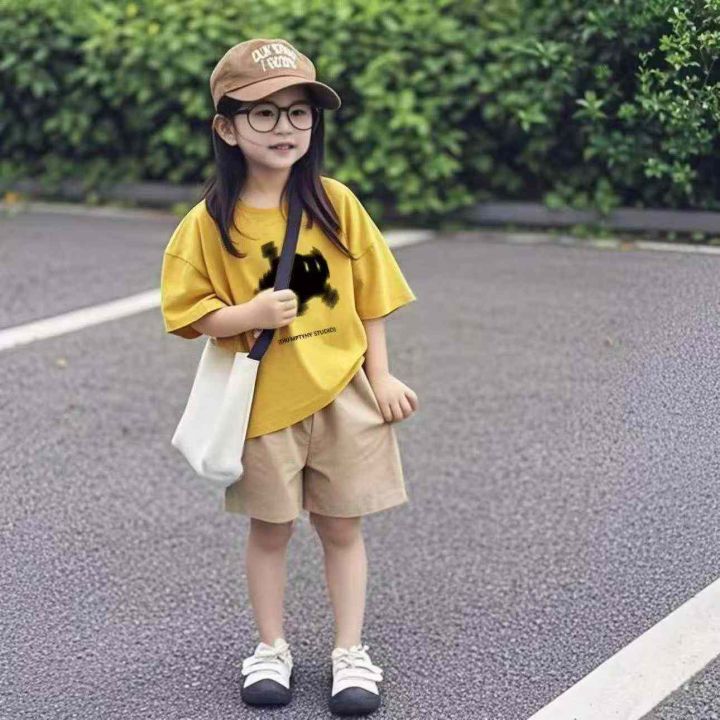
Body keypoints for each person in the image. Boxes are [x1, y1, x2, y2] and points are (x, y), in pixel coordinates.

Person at [159, 38, 419, 717]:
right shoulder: (208, 223)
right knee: (270, 531)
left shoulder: (336, 203)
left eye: (299, 113)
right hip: (263, 409)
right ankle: (270, 646)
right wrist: (245, 314)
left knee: (343, 529)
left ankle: (349, 652)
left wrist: (382, 377)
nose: (285, 128)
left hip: (344, 396)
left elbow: (372, 298)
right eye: (264, 114)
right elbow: (187, 312)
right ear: (227, 128)